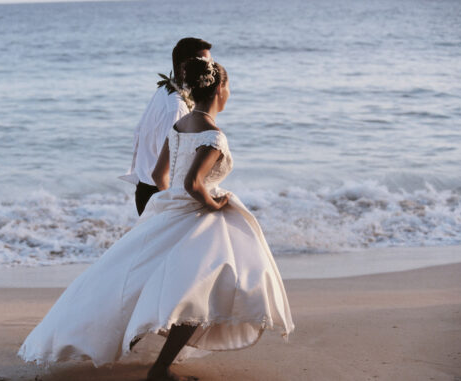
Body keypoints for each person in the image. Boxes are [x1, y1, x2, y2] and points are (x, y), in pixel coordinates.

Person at [18, 58, 294, 381]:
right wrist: (214, 205)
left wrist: (170, 204)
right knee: (200, 290)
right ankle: (159, 368)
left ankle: (129, 341)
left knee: (140, 283)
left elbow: (159, 174)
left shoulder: (180, 126)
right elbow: (194, 183)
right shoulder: (214, 137)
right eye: (229, 86)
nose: (229, 92)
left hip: (170, 210)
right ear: (220, 89)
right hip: (195, 216)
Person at [120, 37, 212, 215]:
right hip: (158, 196)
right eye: (206, 64)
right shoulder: (175, 109)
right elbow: (164, 172)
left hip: (151, 192)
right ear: (185, 68)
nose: (211, 70)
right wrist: (174, 210)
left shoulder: (166, 90)